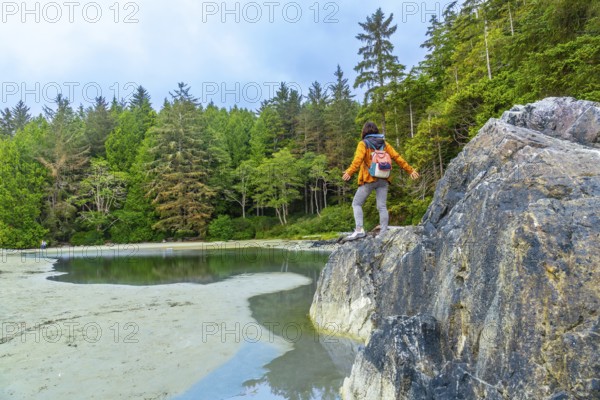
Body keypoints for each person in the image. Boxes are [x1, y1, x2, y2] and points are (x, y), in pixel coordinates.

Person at [342, 121, 420, 240]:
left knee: (356, 203)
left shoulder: (363, 144)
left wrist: (349, 172)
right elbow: (397, 157)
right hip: (383, 179)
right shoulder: (384, 143)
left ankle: (359, 230)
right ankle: (383, 233)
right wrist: (410, 170)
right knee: (382, 207)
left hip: (369, 179)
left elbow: (357, 160)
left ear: (364, 131)